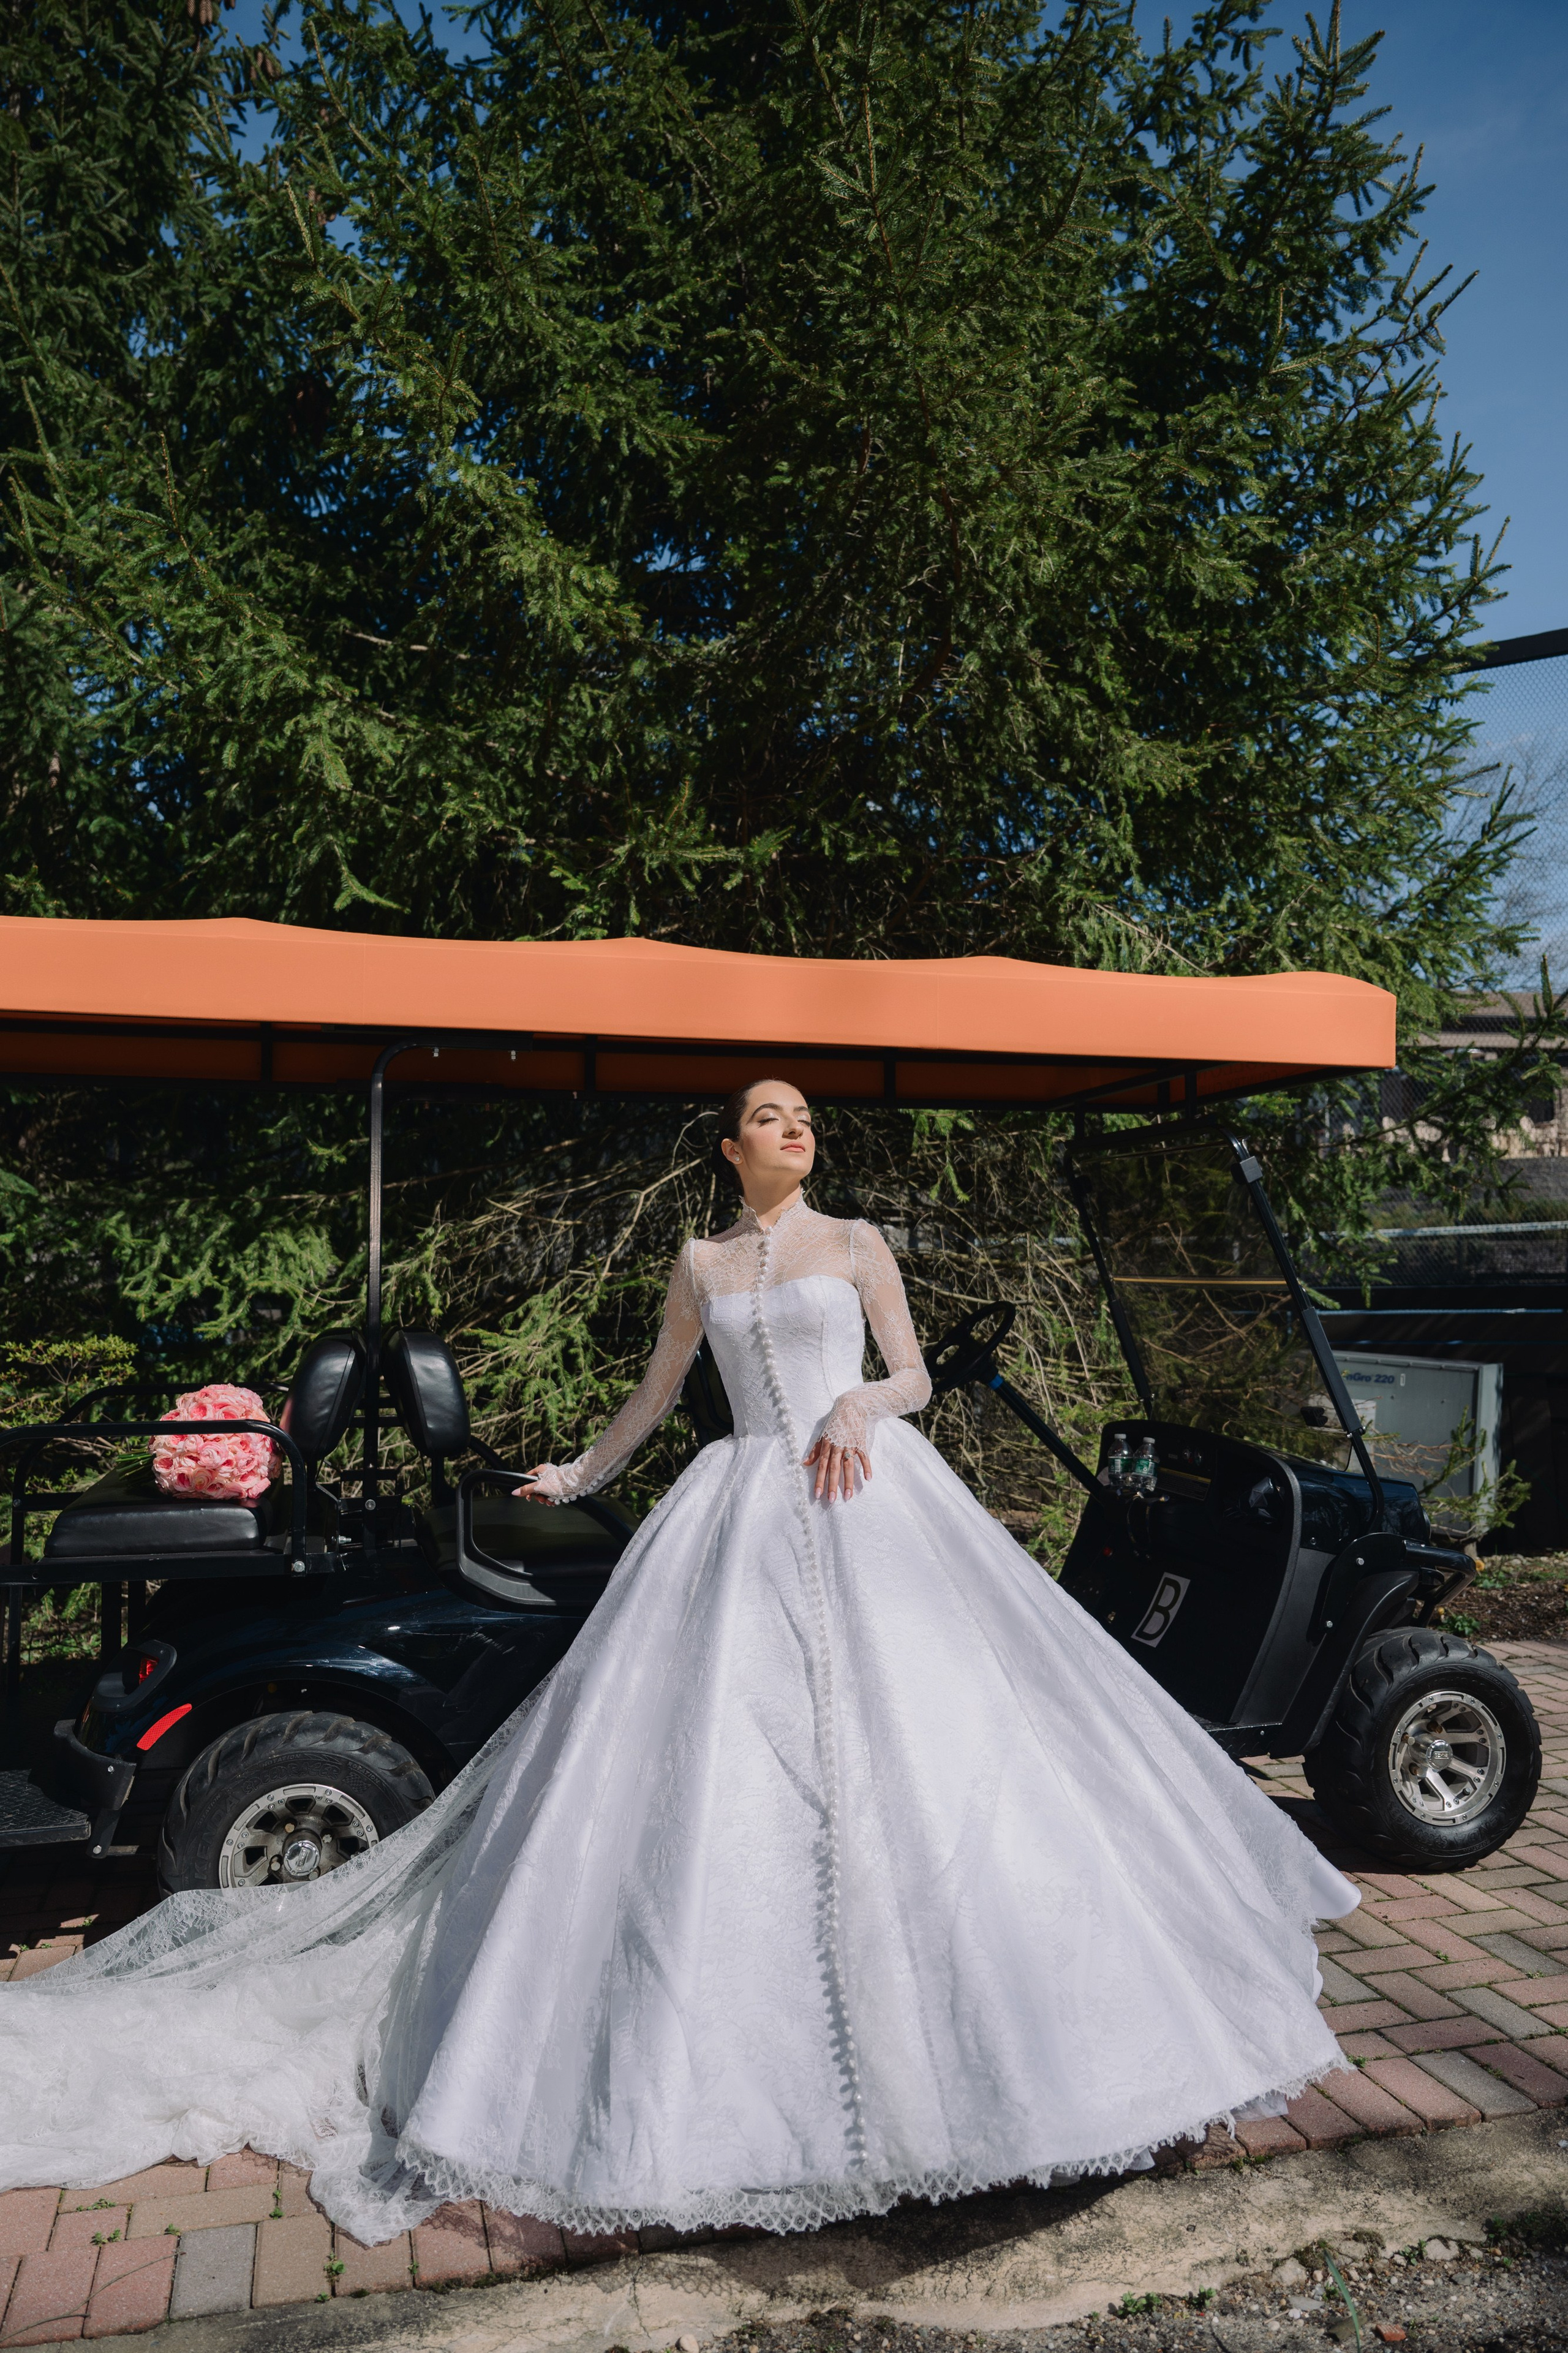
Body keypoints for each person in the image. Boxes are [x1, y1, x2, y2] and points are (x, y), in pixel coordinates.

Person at [0, 1079, 1355, 2246]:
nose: (797, 1130)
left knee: (944, 1750)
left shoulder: (860, 1241)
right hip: (737, 1505)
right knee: (720, 1761)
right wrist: (578, 1468)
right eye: (771, 1117)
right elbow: (655, 1395)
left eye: (807, 1116)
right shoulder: (703, 1267)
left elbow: (915, 1378)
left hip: (859, 1492)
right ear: (730, 1148)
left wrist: (852, 1401)